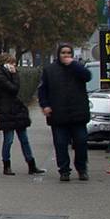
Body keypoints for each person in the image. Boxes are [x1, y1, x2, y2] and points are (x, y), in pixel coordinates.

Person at [37, 43, 92, 181]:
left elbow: (87, 76)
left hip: (78, 113)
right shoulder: (50, 70)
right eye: (63, 53)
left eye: (69, 53)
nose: (66, 56)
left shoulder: (78, 68)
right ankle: (64, 170)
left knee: (81, 142)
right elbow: (43, 90)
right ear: (58, 54)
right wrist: (45, 105)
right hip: (58, 114)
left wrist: (74, 65)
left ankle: (82, 168)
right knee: (60, 144)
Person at [0, 53, 40, 174]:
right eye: (12, 63)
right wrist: (14, 75)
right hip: (6, 110)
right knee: (9, 139)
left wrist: (13, 75)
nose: (14, 66)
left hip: (15, 109)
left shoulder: (7, 74)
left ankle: (31, 164)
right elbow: (13, 88)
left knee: (24, 138)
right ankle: (6, 165)